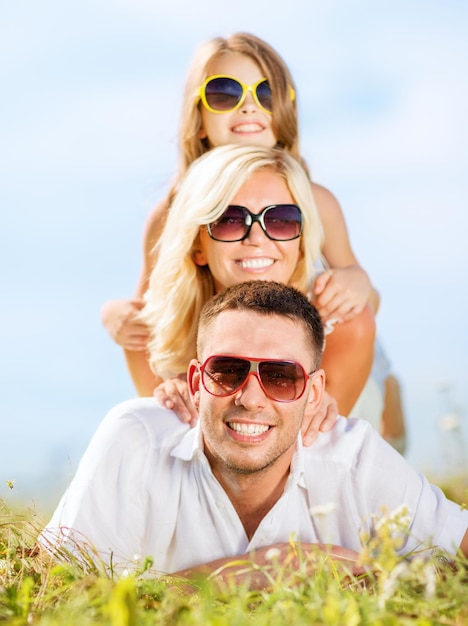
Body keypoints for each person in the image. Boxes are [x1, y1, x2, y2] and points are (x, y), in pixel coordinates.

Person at [42, 281, 468, 588]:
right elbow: (52, 589)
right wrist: (251, 571)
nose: (250, 398)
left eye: (280, 377)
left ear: (314, 392)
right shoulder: (135, 438)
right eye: (226, 371)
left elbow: (459, 551)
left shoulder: (353, 458)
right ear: (195, 381)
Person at [100, 33, 380, 418]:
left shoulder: (314, 200)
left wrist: (357, 279)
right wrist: (113, 315)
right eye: (224, 93)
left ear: (284, 113)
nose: (249, 107)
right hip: (218, 352)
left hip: (317, 343)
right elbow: (151, 311)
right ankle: (176, 431)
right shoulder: (171, 213)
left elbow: (364, 303)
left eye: (266, 94)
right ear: (197, 117)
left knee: (364, 383)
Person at [139, 144, 374, 438]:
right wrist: (169, 405)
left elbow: (300, 460)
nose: (256, 238)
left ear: (301, 244)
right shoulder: (151, 329)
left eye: (281, 220)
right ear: (197, 246)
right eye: (229, 220)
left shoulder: (347, 326)